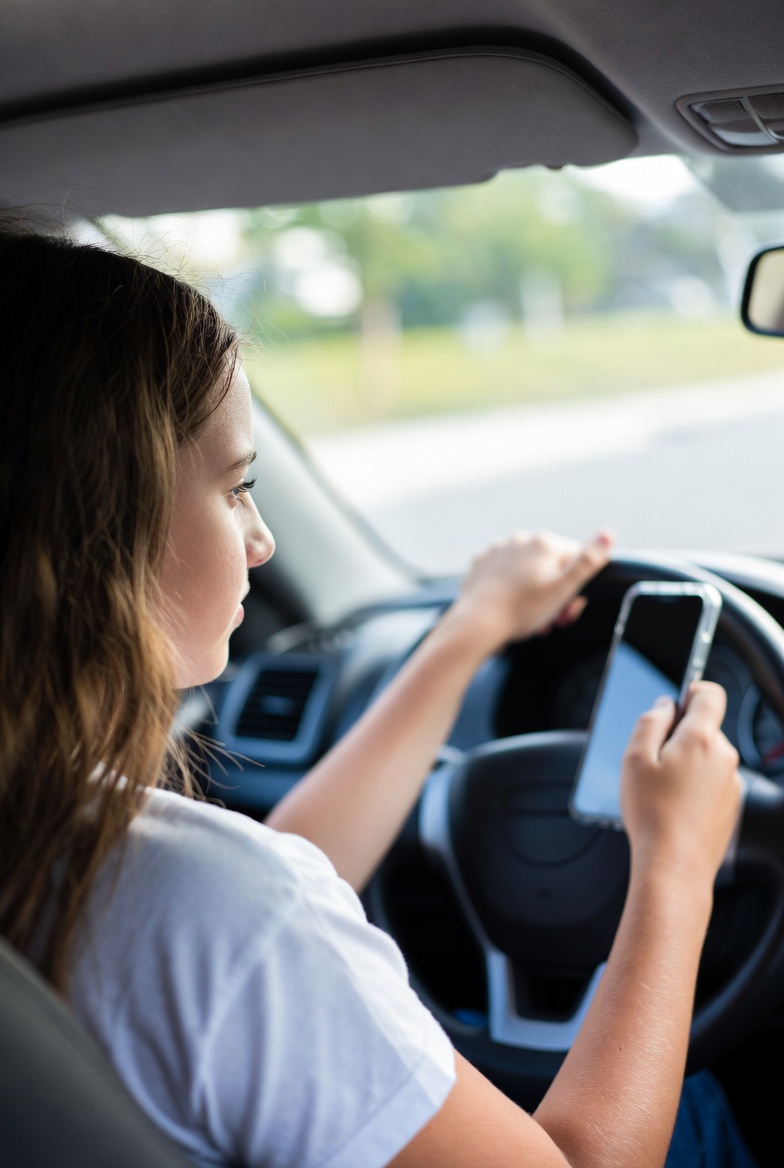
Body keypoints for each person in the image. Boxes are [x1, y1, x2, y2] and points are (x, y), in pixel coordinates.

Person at [0, 224, 758, 1168]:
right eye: (236, 488)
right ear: (100, 521)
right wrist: (676, 867)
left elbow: (253, 896)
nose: (262, 540)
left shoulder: (108, 867)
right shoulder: (207, 906)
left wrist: (469, 630)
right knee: (710, 1110)